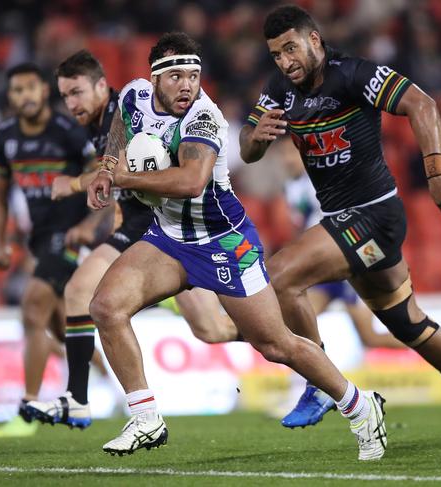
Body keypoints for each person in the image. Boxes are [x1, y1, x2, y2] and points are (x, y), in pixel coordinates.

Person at [86, 32, 387, 461]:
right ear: (153, 79)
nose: (188, 85)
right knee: (106, 307)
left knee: (276, 344)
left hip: (224, 242)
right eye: (176, 76)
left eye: (194, 75)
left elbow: (191, 182)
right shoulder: (134, 95)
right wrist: (108, 164)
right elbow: (120, 123)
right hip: (170, 239)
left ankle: (359, 405)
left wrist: (122, 179)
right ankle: (145, 417)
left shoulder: (203, 118)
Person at [239, 5, 441, 442]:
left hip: (375, 214)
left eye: (290, 48)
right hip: (343, 221)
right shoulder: (278, 89)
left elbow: (422, 103)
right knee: (406, 322)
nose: (284, 61)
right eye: (275, 54)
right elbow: (248, 149)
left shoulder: (354, 74)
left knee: (282, 276)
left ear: (314, 41)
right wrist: (255, 137)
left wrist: (436, 173)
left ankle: (321, 382)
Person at [25, 50, 239, 430]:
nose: (70, 103)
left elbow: (125, 170)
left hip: (157, 226)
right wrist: (96, 224)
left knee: (79, 290)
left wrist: (72, 184)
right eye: (64, 96)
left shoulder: (123, 111)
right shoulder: (95, 124)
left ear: (99, 85)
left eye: (76, 92)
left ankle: (77, 399)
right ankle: (278, 336)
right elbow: (119, 181)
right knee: (211, 330)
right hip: (147, 227)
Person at [0, 62, 96, 438]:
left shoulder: (67, 131)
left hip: (67, 235)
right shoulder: (4, 138)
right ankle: (110, 378)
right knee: (63, 324)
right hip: (39, 238)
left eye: (31, 87)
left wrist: (88, 224)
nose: (25, 96)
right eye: (17, 90)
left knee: (33, 307)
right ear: (10, 97)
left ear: (44, 91)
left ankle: (28, 409)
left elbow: (103, 173)